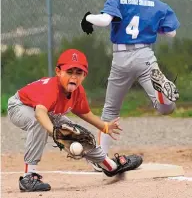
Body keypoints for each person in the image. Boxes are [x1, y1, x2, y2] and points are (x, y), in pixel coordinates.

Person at [80, 0, 180, 169]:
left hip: (121, 58)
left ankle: (101, 159)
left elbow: (105, 20)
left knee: (110, 111)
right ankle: (162, 94)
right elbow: (170, 33)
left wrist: (87, 18)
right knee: (165, 109)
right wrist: (151, 26)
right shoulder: (157, 3)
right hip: (145, 56)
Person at [7, 48, 142, 192]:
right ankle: (28, 177)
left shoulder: (78, 92)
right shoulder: (52, 88)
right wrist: (55, 132)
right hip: (19, 106)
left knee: (76, 133)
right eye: (69, 72)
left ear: (85, 75)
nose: (74, 77)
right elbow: (40, 113)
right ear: (58, 72)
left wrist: (105, 127)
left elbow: (85, 114)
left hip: (45, 111)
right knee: (39, 122)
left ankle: (111, 166)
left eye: (79, 73)